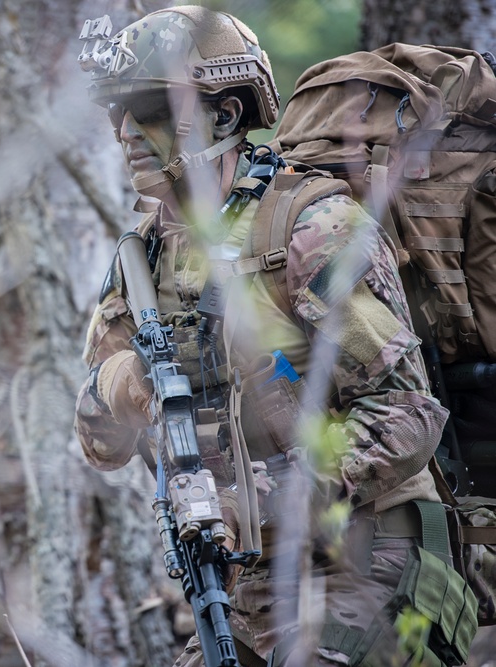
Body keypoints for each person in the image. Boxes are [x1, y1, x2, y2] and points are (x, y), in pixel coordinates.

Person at [74, 6, 477, 666]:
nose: (122, 131)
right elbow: (98, 443)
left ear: (225, 116)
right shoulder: (143, 259)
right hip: (247, 581)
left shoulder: (311, 228)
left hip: (369, 557)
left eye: (147, 106)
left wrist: (255, 500)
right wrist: (116, 386)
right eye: (113, 110)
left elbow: (406, 414)